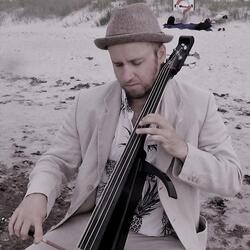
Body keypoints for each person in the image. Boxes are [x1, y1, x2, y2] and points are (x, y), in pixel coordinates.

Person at [8, 3, 242, 250]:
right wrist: (37, 195)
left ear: (161, 54)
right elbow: (56, 160)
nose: (126, 75)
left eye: (136, 62)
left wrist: (183, 149)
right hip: (91, 227)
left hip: (163, 239)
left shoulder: (197, 104)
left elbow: (232, 178)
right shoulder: (87, 103)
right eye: (118, 65)